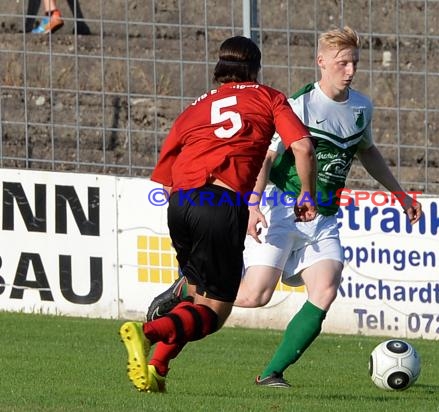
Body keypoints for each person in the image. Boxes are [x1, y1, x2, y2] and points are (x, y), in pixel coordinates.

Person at [119, 35, 317, 393]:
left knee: (196, 298)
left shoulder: (195, 107)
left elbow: (164, 180)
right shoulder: (269, 97)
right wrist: (307, 193)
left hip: (180, 204)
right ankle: (146, 333)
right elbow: (302, 146)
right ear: (256, 69)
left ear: (220, 69)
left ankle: (157, 369)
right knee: (215, 313)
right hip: (221, 203)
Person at [233, 26, 423, 388]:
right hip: (282, 207)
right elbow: (266, 157)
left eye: (354, 62)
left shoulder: (361, 106)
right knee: (254, 296)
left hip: (323, 217)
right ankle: (188, 290)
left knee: (326, 287)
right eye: (342, 63)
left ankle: (272, 373)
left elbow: (367, 151)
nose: (350, 70)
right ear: (321, 62)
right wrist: (252, 205)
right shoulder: (299, 104)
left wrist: (400, 194)